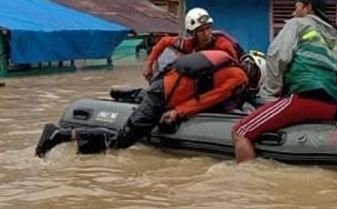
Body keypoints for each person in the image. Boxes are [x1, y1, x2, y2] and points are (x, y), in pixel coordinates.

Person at [36, 50, 262, 157]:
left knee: (128, 132)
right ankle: (60, 135)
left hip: (161, 88)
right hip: (162, 97)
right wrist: (178, 112)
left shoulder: (225, 64)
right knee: (120, 141)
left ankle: (81, 148)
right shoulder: (238, 78)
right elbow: (207, 99)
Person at [233, 0, 337, 163]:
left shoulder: (297, 24)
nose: (293, 13)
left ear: (308, 7)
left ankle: (246, 185)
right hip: (331, 104)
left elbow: (278, 56)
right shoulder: (333, 36)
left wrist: (270, 92)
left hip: (305, 99)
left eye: (296, 8)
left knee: (240, 132)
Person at [142, 7, 243, 81]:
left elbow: (235, 70)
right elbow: (164, 41)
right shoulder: (189, 44)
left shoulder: (223, 46)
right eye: (201, 31)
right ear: (192, 34)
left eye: (208, 28)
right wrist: (149, 64)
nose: (206, 34)